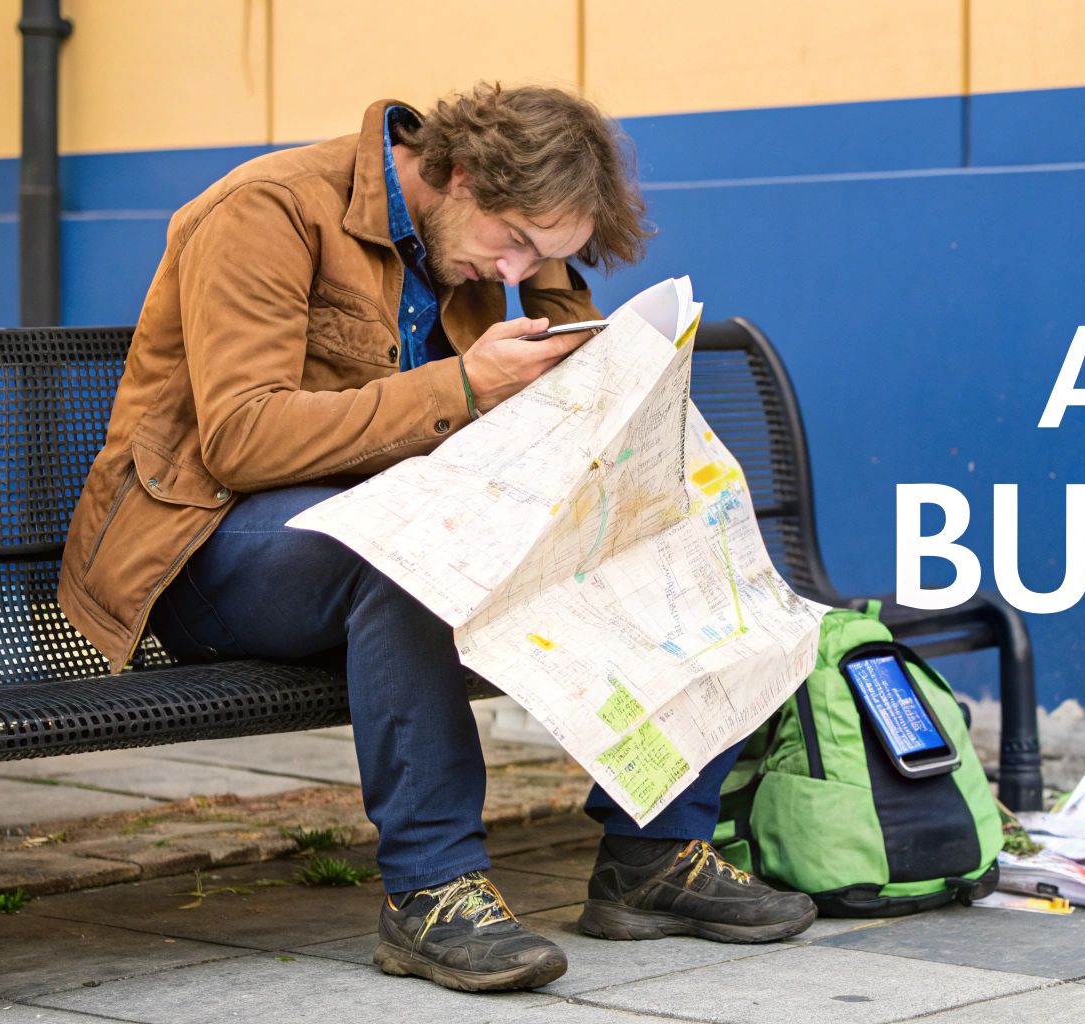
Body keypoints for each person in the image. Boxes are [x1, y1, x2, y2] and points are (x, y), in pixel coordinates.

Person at [56, 82, 816, 994]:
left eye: (543, 254)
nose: (514, 269)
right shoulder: (268, 210)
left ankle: (653, 855)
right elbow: (240, 437)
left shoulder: (498, 251)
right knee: (407, 558)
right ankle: (433, 891)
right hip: (207, 551)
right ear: (456, 173)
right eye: (516, 241)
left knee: (682, 526)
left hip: (405, 523)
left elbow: (539, 396)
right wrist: (461, 387)